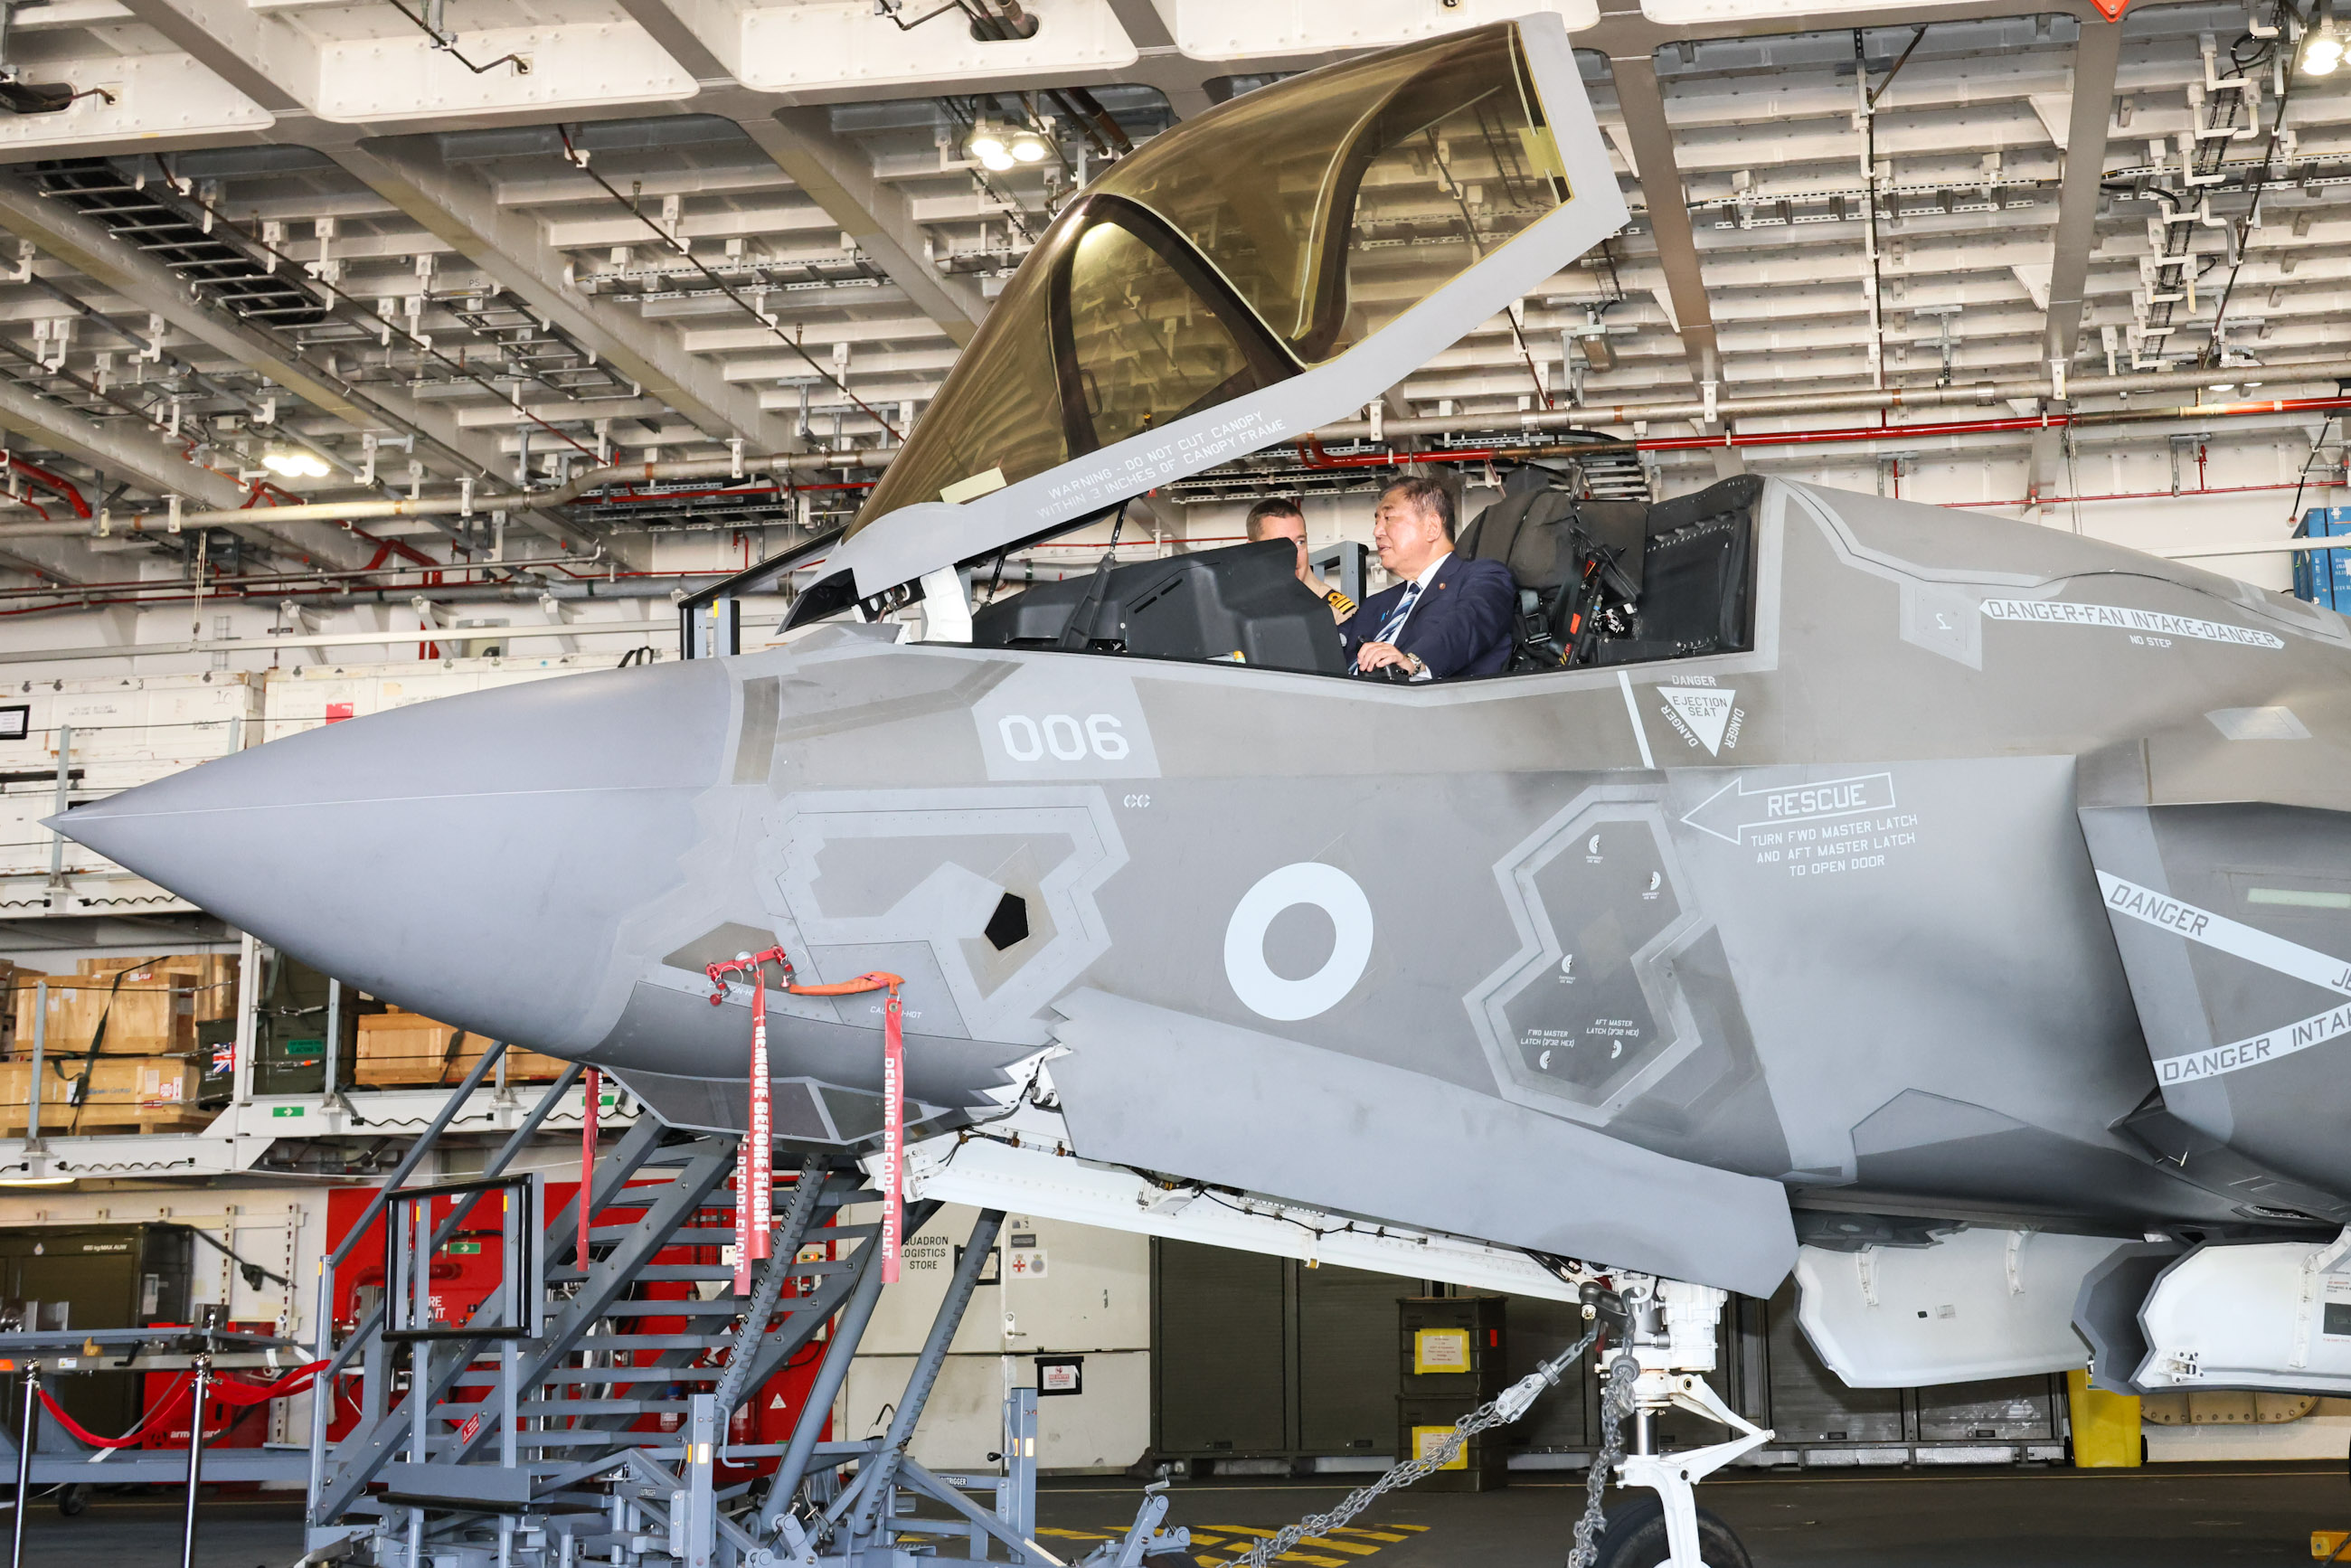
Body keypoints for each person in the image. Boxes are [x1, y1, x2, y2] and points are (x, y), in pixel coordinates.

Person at [1340, 476, 1515, 680]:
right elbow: (1325, 641)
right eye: (1377, 521)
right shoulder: (1375, 605)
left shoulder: (1484, 576)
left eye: (1388, 519)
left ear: (1432, 527)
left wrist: (1414, 661)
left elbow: (1466, 624)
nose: (1377, 531)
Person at [1245, 496, 1355, 622]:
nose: (1294, 555)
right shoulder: (1233, 608)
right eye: (1280, 545)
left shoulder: (1337, 614)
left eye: (1300, 542)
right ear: (1253, 550)